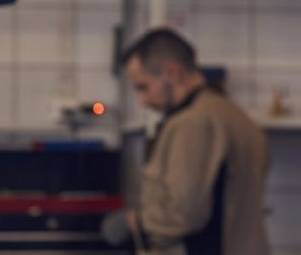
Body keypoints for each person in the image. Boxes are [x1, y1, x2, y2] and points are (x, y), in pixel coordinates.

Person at [103, 27, 270, 255]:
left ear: (171, 72)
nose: (142, 100)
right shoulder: (235, 116)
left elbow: (185, 213)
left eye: (143, 87)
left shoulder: (193, 123)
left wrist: (133, 222)